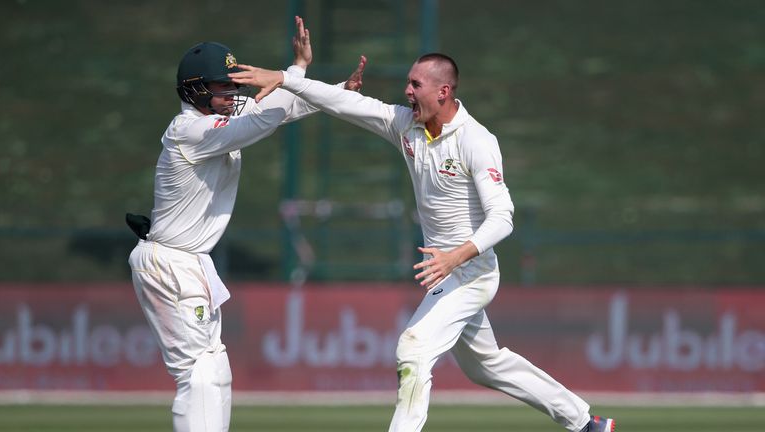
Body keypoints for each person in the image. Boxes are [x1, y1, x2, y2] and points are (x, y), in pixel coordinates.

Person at [228, 54, 615, 432]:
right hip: (445, 274)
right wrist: (287, 77)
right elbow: (348, 104)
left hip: (472, 273)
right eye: (407, 82)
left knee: (412, 347)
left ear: (443, 91)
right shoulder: (406, 125)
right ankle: (585, 422)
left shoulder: (477, 140)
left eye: (416, 84)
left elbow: (502, 218)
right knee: (487, 365)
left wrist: (454, 258)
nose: (407, 91)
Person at [127, 16, 364, 432]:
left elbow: (276, 110)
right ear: (196, 89)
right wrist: (291, 79)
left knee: (215, 368)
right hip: (170, 264)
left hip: (188, 263)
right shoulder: (191, 131)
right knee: (198, 374)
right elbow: (263, 117)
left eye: (235, 85)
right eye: (225, 86)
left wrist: (333, 90)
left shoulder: (219, 125)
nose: (234, 93)